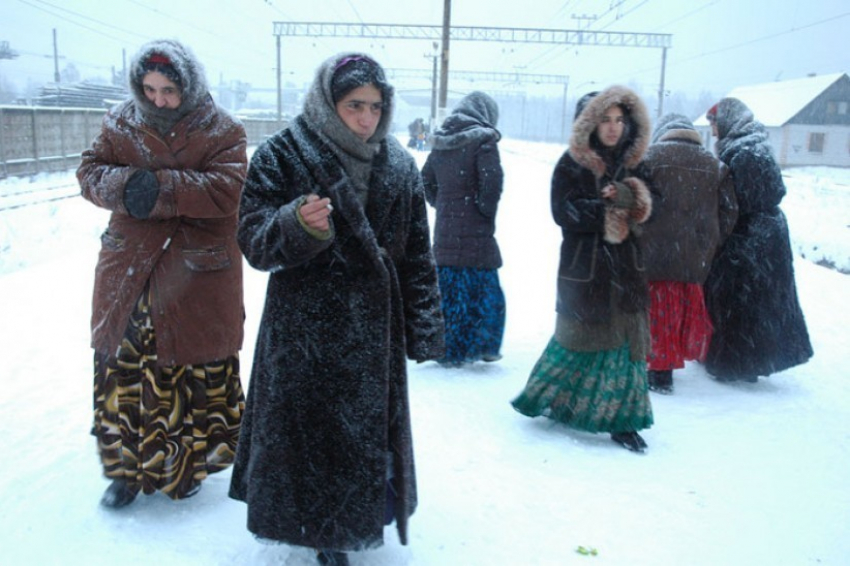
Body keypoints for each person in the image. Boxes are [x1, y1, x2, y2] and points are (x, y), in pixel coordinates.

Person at [228, 53, 445, 566]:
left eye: (374, 106)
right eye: (354, 105)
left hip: (373, 333)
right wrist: (294, 227)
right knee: (312, 440)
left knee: (361, 439)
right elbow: (253, 241)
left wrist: (425, 326)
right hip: (305, 329)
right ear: (329, 103)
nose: (366, 117)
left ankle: (349, 523)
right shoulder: (283, 154)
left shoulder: (399, 165)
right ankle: (323, 531)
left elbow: (417, 254)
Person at [77, 39, 248, 509]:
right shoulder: (120, 122)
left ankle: (185, 465)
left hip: (196, 273)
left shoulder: (225, 130)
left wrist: (159, 189)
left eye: (169, 90)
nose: (158, 100)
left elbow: (227, 191)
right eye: (149, 89)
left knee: (188, 368)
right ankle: (125, 471)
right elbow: (89, 172)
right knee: (124, 370)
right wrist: (129, 185)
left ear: (189, 85)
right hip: (129, 268)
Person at [511, 86, 655, 453]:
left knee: (625, 348)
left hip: (627, 271)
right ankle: (555, 401)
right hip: (586, 269)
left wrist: (625, 198)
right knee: (577, 342)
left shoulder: (637, 163)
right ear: (589, 123)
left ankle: (624, 421)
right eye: (605, 120)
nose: (613, 128)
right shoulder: (571, 163)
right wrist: (606, 210)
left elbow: (653, 209)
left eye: (620, 120)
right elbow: (563, 212)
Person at [703, 98, 813, 382]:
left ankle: (734, 364)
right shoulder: (756, 145)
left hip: (748, 236)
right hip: (769, 234)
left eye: (714, 122)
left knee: (736, 299)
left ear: (726, 121)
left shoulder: (741, 152)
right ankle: (756, 361)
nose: (712, 129)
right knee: (763, 301)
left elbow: (740, 199)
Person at [640, 113, 738, 393]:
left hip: (653, 252)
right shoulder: (715, 166)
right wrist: (712, 240)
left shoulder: (648, 158)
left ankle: (657, 370)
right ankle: (668, 365)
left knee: (655, 312)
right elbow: (730, 212)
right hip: (694, 257)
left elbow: (635, 202)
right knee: (679, 312)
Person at [421, 91, 506, 367]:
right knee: (484, 288)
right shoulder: (484, 140)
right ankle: (483, 344)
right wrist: (483, 211)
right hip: (477, 231)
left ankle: (449, 347)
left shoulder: (441, 142)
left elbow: (425, 182)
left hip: (446, 229)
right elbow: (492, 183)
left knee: (449, 288)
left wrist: (443, 205)